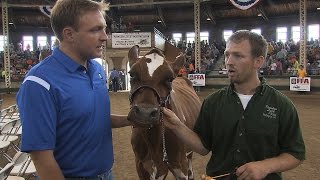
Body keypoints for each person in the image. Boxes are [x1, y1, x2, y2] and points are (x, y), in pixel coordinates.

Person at [163, 30, 305, 180]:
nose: (229, 61)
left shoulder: (282, 105)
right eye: (227, 54)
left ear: (258, 61)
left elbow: (296, 154)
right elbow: (203, 147)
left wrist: (265, 166)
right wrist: (176, 125)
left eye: (238, 55)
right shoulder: (213, 102)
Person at [16, 0, 131, 180]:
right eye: (95, 30)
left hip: (106, 174)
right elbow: (41, 157)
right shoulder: (39, 82)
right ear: (69, 34)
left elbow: (90, 119)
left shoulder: (97, 70)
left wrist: (130, 120)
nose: (105, 37)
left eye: (104, 28)